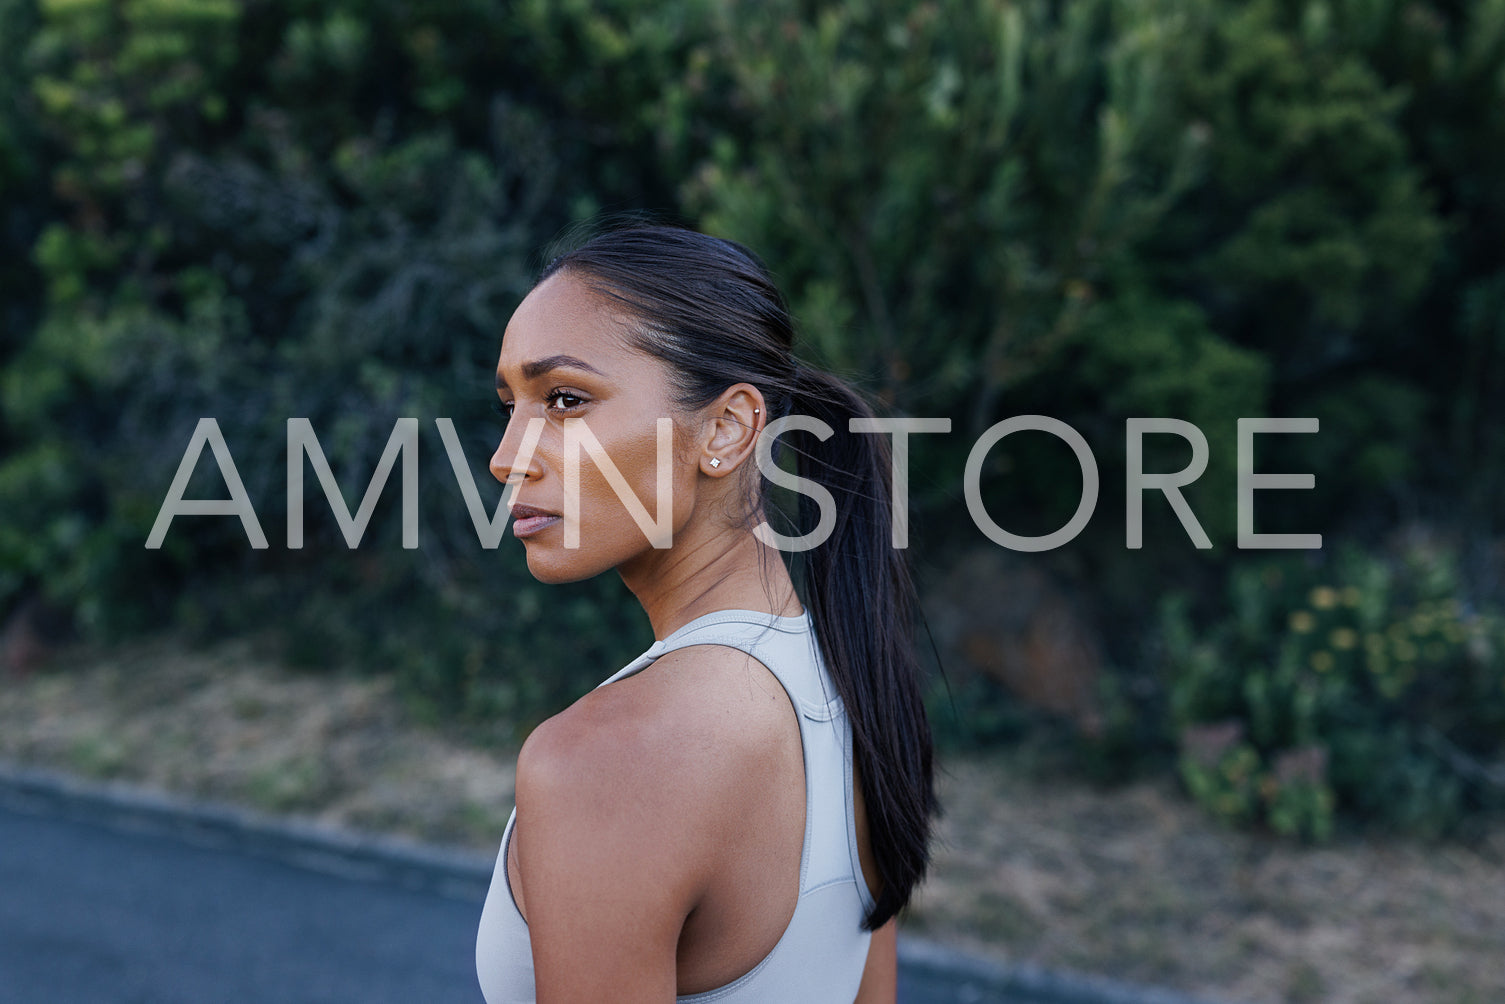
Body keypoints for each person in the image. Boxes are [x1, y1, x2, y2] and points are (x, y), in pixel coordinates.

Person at [475, 224, 936, 1003]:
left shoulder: (607, 763)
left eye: (563, 399)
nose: (507, 453)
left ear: (725, 428)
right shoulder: (849, 679)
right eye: (511, 404)